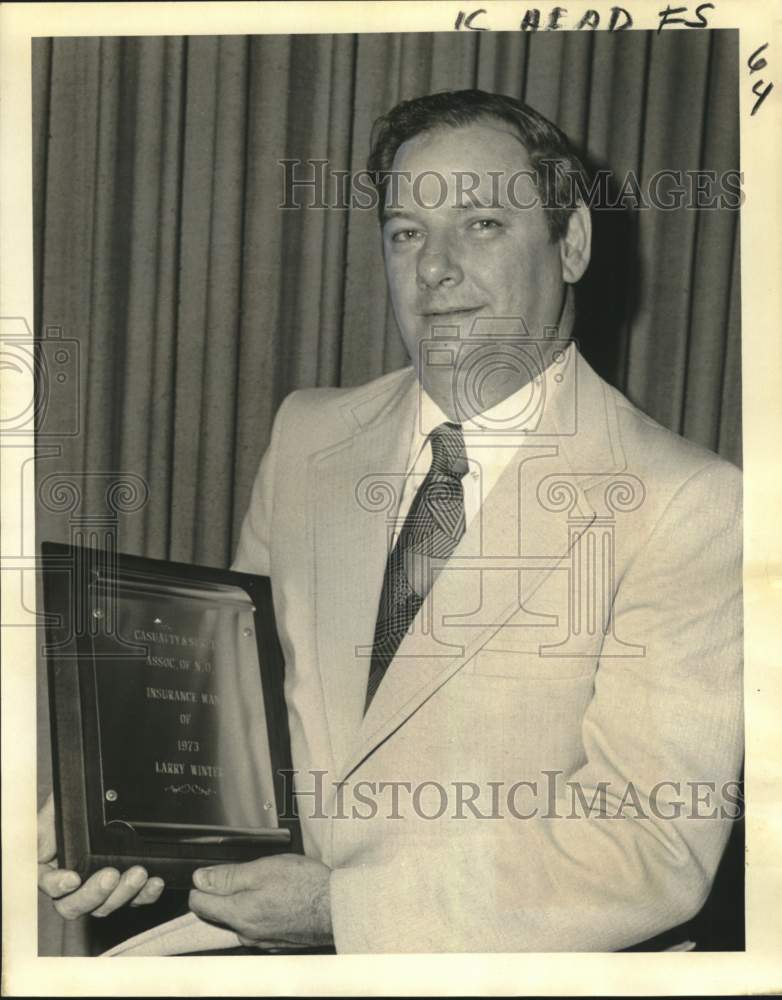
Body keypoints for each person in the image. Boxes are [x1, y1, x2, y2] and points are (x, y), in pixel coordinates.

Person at [38, 90, 743, 953]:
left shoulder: (686, 502)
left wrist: (343, 910)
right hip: (247, 950)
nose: (435, 268)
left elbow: (651, 847)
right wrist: (122, 826)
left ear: (573, 244)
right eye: (407, 232)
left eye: (482, 223)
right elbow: (233, 734)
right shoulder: (307, 436)